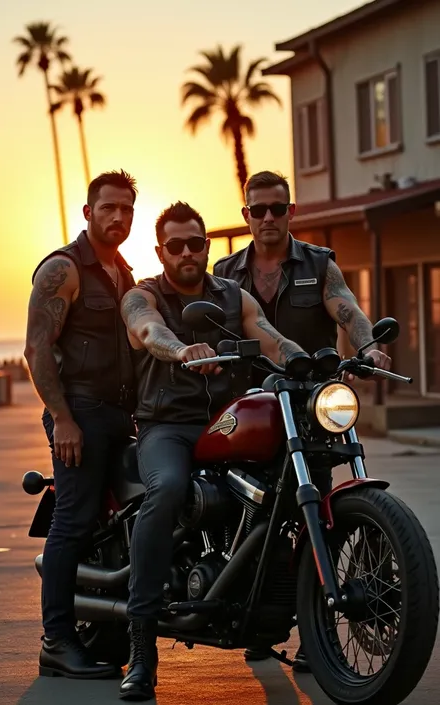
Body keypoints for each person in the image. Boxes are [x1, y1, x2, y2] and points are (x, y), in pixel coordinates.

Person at [119, 201, 308, 701]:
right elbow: (147, 331)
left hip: (227, 423)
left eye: (195, 242)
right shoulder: (143, 295)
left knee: (283, 483)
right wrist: (181, 349)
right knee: (168, 491)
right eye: (175, 244)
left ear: (206, 246)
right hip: (168, 426)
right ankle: (141, 647)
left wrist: (310, 363)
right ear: (160, 251)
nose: (187, 252)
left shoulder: (232, 295)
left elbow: (271, 339)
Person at [213, 170, 392, 668]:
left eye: (277, 208)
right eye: (256, 210)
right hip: (247, 415)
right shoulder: (225, 271)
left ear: (291, 211)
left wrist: (370, 348)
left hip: (309, 413)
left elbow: (349, 311)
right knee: (247, 519)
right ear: (246, 214)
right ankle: (255, 621)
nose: (267, 217)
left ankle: (320, 637)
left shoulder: (319, 264)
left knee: (317, 515)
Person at [24, 169, 138, 679]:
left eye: (127, 209)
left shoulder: (126, 273)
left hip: (122, 413)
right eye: (108, 207)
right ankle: (57, 641)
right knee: (72, 518)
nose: (118, 216)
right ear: (88, 212)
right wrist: (63, 419)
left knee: (121, 516)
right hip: (81, 413)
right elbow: (37, 348)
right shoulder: (62, 269)